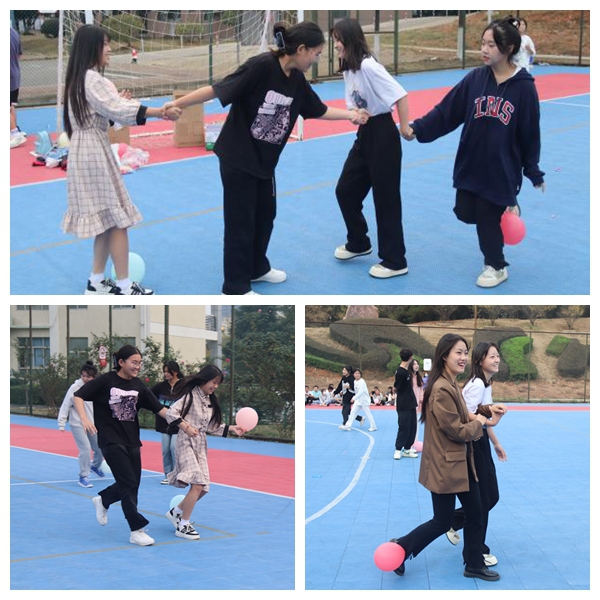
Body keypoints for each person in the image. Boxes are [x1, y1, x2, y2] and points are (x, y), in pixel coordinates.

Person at [165, 21, 368, 295]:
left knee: (265, 215)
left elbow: (317, 109)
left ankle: (256, 268)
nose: (317, 59)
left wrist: (351, 115)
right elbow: (218, 89)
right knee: (241, 223)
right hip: (238, 157)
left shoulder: (296, 80)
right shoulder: (261, 67)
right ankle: (235, 286)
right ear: (301, 49)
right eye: (316, 54)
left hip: (264, 162)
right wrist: (178, 103)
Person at [405, 17, 545, 288]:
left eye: (491, 45)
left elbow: (530, 132)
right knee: (465, 211)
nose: (484, 49)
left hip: (502, 168)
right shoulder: (476, 79)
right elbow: (447, 111)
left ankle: (495, 265)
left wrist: (533, 170)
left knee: (485, 216)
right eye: (483, 43)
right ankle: (508, 205)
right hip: (472, 162)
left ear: (508, 48)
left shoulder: (524, 88)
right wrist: (418, 128)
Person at [61, 25, 181, 296]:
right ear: (92, 47)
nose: (109, 49)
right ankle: (124, 286)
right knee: (117, 220)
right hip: (93, 153)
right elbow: (116, 108)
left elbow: (105, 112)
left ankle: (95, 282)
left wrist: (117, 105)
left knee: (107, 220)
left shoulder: (78, 79)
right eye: (105, 44)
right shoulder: (92, 79)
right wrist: (158, 111)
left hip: (85, 151)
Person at [389, 334, 505, 581]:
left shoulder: (450, 383)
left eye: (465, 353)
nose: (463, 358)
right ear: (444, 355)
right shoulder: (442, 389)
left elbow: (464, 413)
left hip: (458, 462)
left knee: (476, 511)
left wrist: (487, 410)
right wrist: (481, 422)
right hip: (446, 466)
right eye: (458, 353)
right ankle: (401, 547)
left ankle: (473, 563)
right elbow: (457, 430)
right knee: (442, 522)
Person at [331, 18, 412, 279]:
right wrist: (356, 115)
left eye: (338, 40)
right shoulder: (349, 68)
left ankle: (395, 260)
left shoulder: (368, 66)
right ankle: (359, 242)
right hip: (365, 134)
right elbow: (356, 104)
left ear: (350, 40)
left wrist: (404, 127)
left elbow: (400, 94)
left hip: (384, 135)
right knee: (345, 190)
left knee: (385, 199)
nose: (335, 45)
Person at [74, 345, 171, 546]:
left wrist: (183, 423)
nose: (137, 366)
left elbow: (160, 409)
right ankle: (136, 530)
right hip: (110, 439)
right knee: (128, 483)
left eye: (140, 363)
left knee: (133, 483)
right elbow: (79, 395)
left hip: (132, 440)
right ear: (121, 362)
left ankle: (104, 499)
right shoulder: (106, 381)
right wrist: (84, 418)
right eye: (134, 362)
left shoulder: (138, 386)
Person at [164, 365, 245, 540]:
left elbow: (210, 426)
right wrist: (186, 427)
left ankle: (176, 512)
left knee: (203, 488)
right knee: (198, 483)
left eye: (218, 383)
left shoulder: (208, 401)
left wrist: (232, 428)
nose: (215, 386)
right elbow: (171, 413)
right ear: (204, 379)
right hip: (185, 443)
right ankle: (183, 525)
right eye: (213, 382)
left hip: (200, 445)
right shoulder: (190, 396)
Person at [446, 342, 507, 568]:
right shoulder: (477, 385)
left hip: (481, 442)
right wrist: (490, 421)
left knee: (490, 497)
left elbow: (480, 417)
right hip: (473, 444)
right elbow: (468, 416)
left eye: (498, 356)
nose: (497, 360)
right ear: (480, 360)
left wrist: (496, 443)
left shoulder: (484, 383)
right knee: (484, 500)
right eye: (492, 356)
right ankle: (477, 549)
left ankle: (454, 521)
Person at [57, 360, 104, 488]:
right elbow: (66, 404)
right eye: (83, 376)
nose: (85, 379)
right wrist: (61, 422)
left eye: (88, 376)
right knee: (85, 449)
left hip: (92, 424)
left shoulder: (97, 388)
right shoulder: (75, 388)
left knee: (100, 447)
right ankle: (84, 476)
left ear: (94, 377)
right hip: (77, 423)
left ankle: (95, 466)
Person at [151, 361, 186, 484]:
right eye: (164, 371)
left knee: (174, 448)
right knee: (165, 450)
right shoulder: (160, 387)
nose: (166, 374)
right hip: (164, 424)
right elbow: (148, 396)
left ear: (175, 372)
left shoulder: (184, 386)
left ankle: (177, 474)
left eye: (168, 371)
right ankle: (168, 475)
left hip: (179, 424)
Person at [394, 349, 418, 459]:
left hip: (411, 403)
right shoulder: (400, 372)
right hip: (403, 405)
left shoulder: (407, 370)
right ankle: (398, 449)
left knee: (412, 427)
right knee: (403, 426)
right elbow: (396, 388)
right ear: (411, 357)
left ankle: (407, 449)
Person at [10, 25, 26, 148]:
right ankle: (14, 130)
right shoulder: (14, 33)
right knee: (11, 105)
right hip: (15, 74)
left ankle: (14, 132)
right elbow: (19, 55)